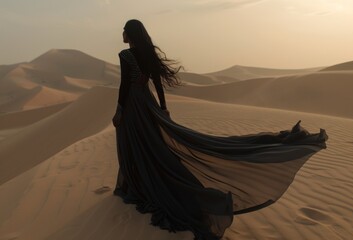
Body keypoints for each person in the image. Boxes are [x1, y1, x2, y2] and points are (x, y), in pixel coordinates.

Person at [112, 19, 328, 240]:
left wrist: (120, 109)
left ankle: (136, 184)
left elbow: (124, 86)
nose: (122, 34)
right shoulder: (148, 54)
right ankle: (142, 183)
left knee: (134, 143)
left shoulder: (125, 55)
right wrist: (163, 108)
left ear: (129, 33)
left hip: (133, 106)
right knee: (152, 145)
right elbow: (157, 82)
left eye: (123, 31)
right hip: (149, 105)